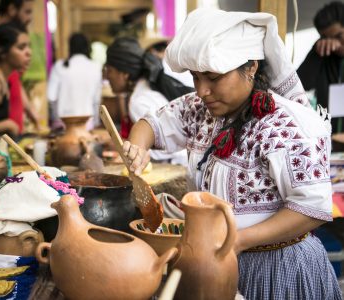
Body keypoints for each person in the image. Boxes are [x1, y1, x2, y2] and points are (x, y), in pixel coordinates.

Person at [123, 8, 341, 299]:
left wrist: (235, 241)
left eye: (212, 77)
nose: (202, 90)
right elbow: (151, 123)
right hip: (213, 259)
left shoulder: (285, 124)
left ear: (250, 66)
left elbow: (312, 208)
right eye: (196, 77)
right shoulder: (201, 110)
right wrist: (137, 147)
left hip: (277, 268)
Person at [105, 37, 188, 165]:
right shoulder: (145, 88)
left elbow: (163, 147)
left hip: (178, 167)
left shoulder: (139, 100)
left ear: (124, 74)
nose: (107, 76)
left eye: (109, 70)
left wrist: (130, 150)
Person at [0, 0, 40, 134]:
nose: (29, 53)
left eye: (28, 47)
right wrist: (8, 124)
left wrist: (29, 108)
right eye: (21, 47)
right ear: (1, 51)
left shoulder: (2, 72)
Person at [298, 1, 344, 133]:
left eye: (338, 36)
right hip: (330, 140)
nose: (334, 43)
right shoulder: (322, 57)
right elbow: (300, 85)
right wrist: (316, 51)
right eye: (325, 38)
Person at [47, 33, 102, 131]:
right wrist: (96, 123)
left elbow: (51, 98)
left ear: (70, 47)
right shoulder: (95, 67)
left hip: (63, 125)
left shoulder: (59, 66)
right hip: (87, 124)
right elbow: (96, 101)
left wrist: (56, 121)